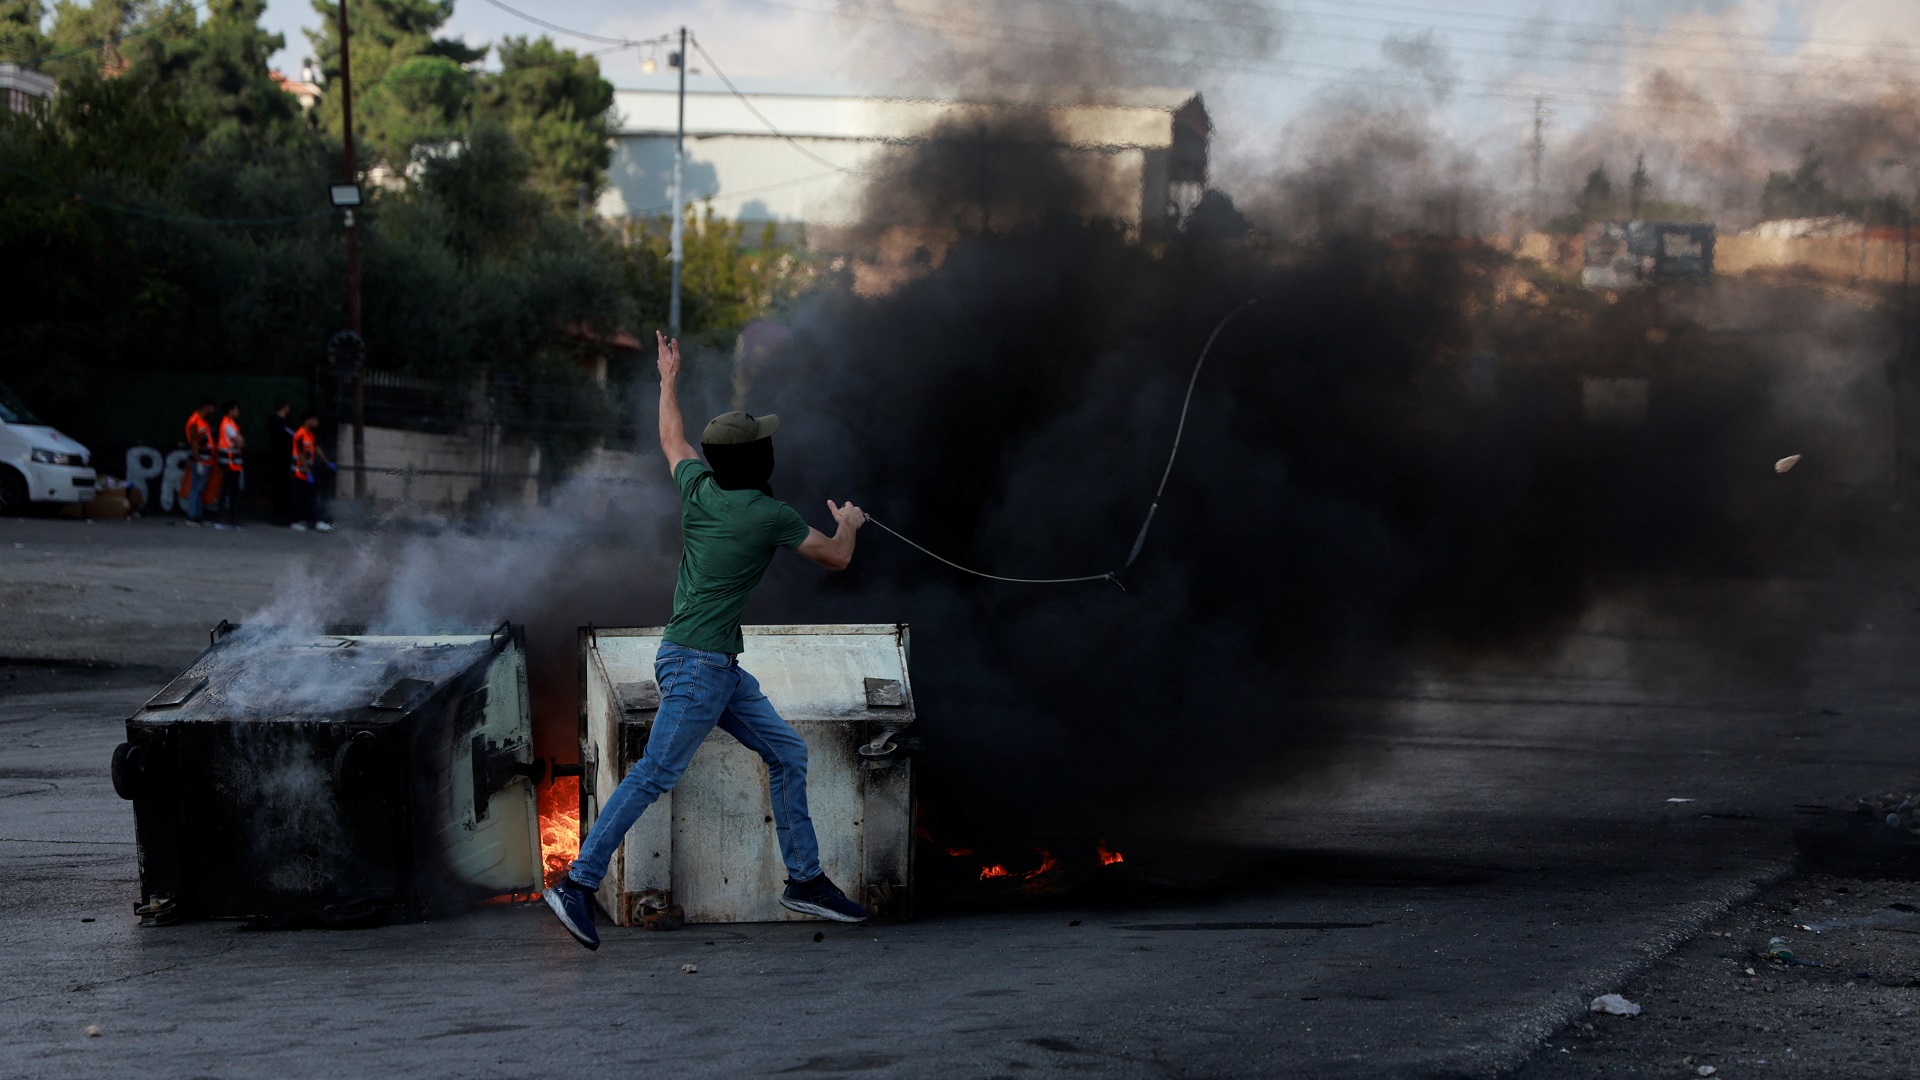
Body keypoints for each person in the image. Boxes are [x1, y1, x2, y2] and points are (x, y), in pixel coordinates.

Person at [543, 331, 870, 952]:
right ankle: (578, 884)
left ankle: (804, 879)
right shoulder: (767, 515)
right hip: (699, 668)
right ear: (757, 461)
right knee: (654, 773)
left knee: (787, 753)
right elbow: (836, 558)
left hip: (708, 666)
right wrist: (847, 522)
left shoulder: (699, 489)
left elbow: (672, 438)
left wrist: (668, 379)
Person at [289, 412, 334, 533]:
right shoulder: (300, 434)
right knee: (298, 497)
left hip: (307, 471)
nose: (317, 422)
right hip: (299, 472)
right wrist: (308, 472)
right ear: (307, 420)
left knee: (310, 497)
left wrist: (326, 462)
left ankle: (313, 520)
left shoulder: (310, 435)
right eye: (314, 419)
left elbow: (316, 449)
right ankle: (296, 521)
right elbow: (301, 454)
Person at [180, 399, 217, 526]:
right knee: (196, 488)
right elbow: (194, 443)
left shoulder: (202, 421)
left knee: (200, 488)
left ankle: (198, 515)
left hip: (205, 460)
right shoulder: (194, 422)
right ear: (206, 407)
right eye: (212, 406)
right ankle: (191, 516)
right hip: (199, 460)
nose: (213, 409)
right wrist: (198, 461)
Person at [213, 401, 245, 528]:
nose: (238, 412)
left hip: (233, 463)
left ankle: (230, 518)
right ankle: (224, 519)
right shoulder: (227, 424)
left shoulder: (231, 424)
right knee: (228, 491)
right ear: (230, 411)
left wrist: (240, 441)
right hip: (229, 463)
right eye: (236, 410)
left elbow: (240, 441)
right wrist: (240, 441)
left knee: (231, 491)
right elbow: (239, 443)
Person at [264, 401, 296, 526]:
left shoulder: (282, 422)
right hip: (280, 458)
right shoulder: (277, 422)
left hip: (283, 458)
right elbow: (290, 435)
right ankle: (279, 516)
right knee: (280, 488)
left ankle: (282, 515)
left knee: (283, 488)